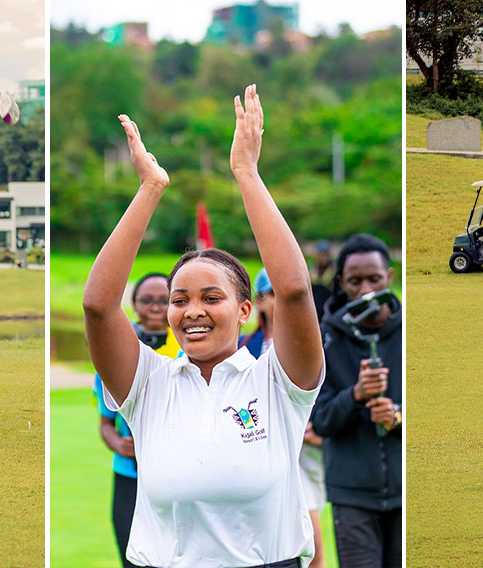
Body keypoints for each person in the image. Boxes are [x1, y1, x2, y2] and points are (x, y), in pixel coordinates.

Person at [83, 84, 324, 568]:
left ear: (243, 311)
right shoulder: (149, 381)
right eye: (180, 299)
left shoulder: (277, 380)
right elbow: (98, 307)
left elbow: (295, 290)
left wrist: (246, 174)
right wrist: (149, 189)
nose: (192, 310)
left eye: (212, 297)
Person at [312, 233, 401, 568]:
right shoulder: (325, 337)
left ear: (389, 277)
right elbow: (320, 420)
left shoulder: (410, 331)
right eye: (355, 281)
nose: (366, 291)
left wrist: (397, 417)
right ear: (341, 283)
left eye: (374, 279)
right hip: (350, 493)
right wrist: (355, 394)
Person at [238, 268, 328, 568]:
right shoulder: (242, 345)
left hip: (303, 447)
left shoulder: (311, 343)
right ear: (260, 300)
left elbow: (320, 390)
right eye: (274, 294)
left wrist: (319, 429)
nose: (283, 302)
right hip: (253, 446)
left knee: (309, 529)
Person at [93, 271, 179, 568]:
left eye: (164, 300)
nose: (155, 308)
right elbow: (106, 423)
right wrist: (119, 444)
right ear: (134, 305)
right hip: (129, 477)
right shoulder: (115, 355)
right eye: (147, 300)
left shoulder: (188, 352)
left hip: (177, 477)